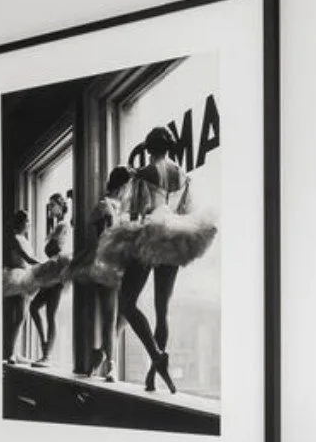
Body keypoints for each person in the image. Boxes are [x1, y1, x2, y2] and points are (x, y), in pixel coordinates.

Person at [116, 127, 218, 394]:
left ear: (149, 147)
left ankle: (156, 354)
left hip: (150, 235)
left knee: (126, 302)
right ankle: (153, 374)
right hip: (175, 237)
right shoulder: (183, 175)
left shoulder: (147, 172)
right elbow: (185, 211)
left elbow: (136, 212)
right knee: (163, 310)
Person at [78, 168, 131, 381]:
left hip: (125, 263)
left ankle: (100, 352)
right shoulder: (103, 205)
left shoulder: (124, 208)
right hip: (108, 263)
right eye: (128, 186)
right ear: (123, 185)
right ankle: (111, 365)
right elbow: (99, 238)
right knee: (109, 317)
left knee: (127, 312)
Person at [26, 192, 72, 368]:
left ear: (60, 206)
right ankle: (45, 346)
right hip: (52, 272)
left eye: (53, 205)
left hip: (57, 271)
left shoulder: (63, 225)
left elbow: (58, 248)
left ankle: (47, 354)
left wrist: (51, 249)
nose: (50, 208)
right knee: (34, 307)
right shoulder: (57, 226)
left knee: (49, 313)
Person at [1, 208, 39, 364]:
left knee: (20, 317)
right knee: (16, 317)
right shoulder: (15, 239)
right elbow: (28, 259)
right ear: (22, 223)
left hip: (23, 276)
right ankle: (10, 352)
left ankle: (13, 352)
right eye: (27, 221)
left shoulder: (24, 239)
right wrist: (47, 265)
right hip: (17, 277)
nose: (29, 224)